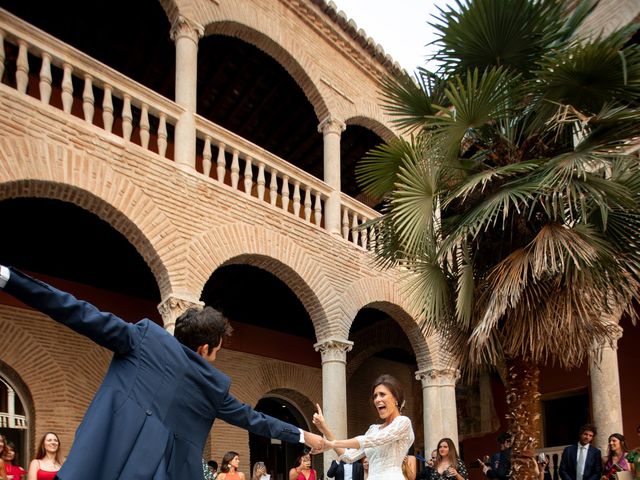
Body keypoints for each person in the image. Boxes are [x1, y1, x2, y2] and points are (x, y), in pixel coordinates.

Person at [0, 265, 324, 480]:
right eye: (218, 350)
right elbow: (256, 420)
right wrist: (303, 435)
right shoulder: (212, 387)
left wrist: (10, 279)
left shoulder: (144, 338)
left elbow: (78, 312)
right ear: (205, 349)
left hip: (99, 462)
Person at [312, 374, 415, 480]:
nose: (377, 400)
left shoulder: (403, 422)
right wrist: (324, 428)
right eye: (375, 396)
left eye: (382, 394)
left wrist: (333, 443)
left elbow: (374, 439)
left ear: (395, 399)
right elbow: (348, 456)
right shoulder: (373, 429)